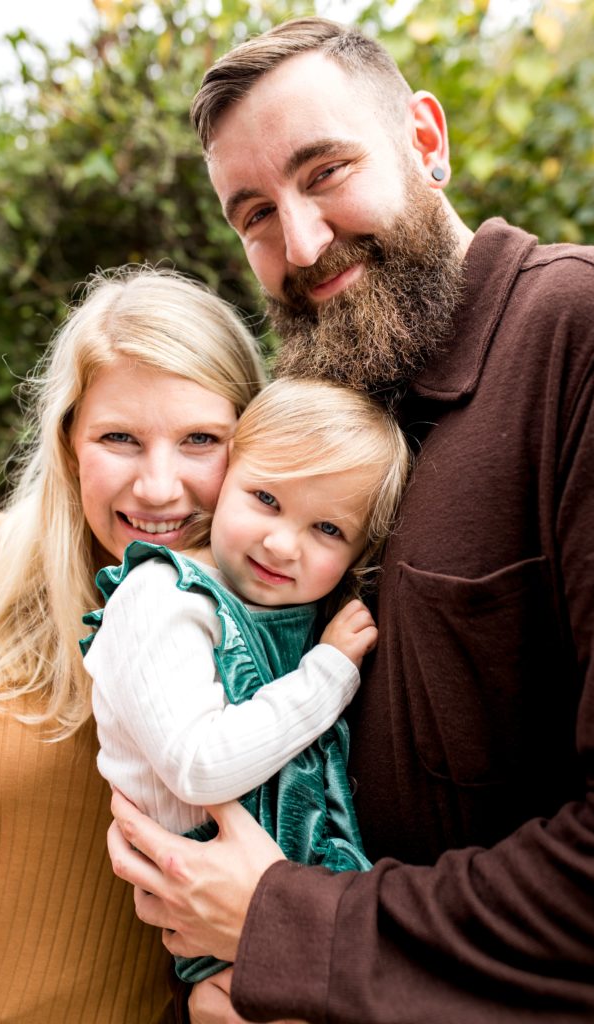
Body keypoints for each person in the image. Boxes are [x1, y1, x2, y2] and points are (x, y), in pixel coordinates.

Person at [105, 17, 594, 1024]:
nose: (298, 243)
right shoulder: (327, 413)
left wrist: (286, 926)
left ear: (426, 140)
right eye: (253, 214)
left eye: (325, 170)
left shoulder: (582, 336)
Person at [0, 265, 266, 1023]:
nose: (157, 487)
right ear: (69, 442)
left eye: (199, 440)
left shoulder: (290, 632)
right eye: (119, 437)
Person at [83, 377, 409, 984]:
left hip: (306, 911)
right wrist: (327, 675)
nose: (283, 543)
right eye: (265, 498)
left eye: (328, 530)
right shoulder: (162, 599)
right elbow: (200, 765)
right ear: (227, 476)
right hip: (218, 932)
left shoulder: (291, 610)